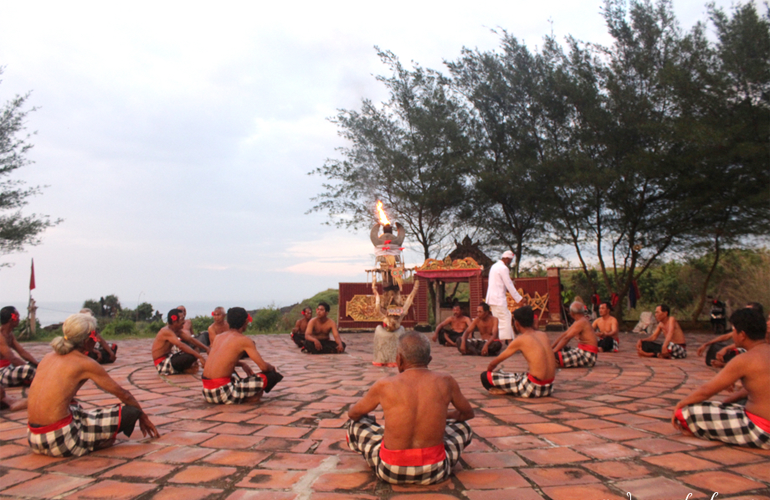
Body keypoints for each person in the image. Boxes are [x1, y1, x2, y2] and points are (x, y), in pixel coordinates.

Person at [346, 331, 474, 484]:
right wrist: (445, 416)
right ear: (429, 360)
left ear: (399, 360)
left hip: (390, 469)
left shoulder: (384, 385)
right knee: (464, 427)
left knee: (355, 424)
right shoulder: (446, 381)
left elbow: (353, 414)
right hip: (435, 470)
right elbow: (467, 414)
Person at [27, 313, 159, 457]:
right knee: (131, 412)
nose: (96, 341)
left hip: (34, 438)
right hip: (61, 440)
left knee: (75, 406)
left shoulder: (47, 357)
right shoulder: (85, 363)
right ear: (86, 341)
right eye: (94, 337)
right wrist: (142, 416)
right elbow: (123, 394)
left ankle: (92, 437)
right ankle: (96, 442)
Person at [673, 308, 770, 449]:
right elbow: (751, 390)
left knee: (686, 412)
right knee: (720, 406)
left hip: (761, 430)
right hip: (760, 418)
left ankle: (702, 430)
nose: (732, 335)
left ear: (742, 335)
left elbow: (706, 391)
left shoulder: (745, 359)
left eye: (733, 330)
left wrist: (679, 406)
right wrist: (725, 403)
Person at [202, 307, 283, 404]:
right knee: (271, 376)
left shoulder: (218, 337)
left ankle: (242, 394)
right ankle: (249, 397)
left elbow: (222, 360)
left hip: (207, 392)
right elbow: (263, 367)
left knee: (235, 376)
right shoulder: (244, 340)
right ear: (245, 322)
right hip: (223, 393)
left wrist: (242, 364)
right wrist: (271, 368)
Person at [481, 306, 557, 397]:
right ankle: (510, 387)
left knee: (485, 377)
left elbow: (494, 363)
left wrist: (489, 372)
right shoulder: (543, 335)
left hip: (533, 388)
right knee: (517, 375)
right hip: (548, 387)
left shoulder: (521, 339)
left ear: (516, 323)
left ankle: (507, 390)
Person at [698, 303, 766, 368]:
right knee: (716, 346)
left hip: (753, 356)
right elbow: (727, 336)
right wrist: (707, 344)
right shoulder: (745, 327)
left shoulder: (761, 330)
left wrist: (726, 350)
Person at [485, 251, 525, 343]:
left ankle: (504, 339)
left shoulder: (494, 266)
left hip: (492, 298)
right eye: (510, 260)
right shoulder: (503, 268)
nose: (510, 262)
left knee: (499, 319)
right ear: (507, 258)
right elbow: (509, 284)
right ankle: (508, 340)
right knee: (506, 318)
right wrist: (519, 298)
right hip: (498, 298)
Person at [151, 309, 207, 375]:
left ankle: (188, 367)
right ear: (174, 321)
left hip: (169, 357)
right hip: (162, 364)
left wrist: (207, 349)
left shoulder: (177, 330)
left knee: (193, 347)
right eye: (182, 319)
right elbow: (181, 345)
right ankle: (185, 369)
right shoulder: (166, 331)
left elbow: (191, 340)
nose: (184, 321)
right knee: (191, 354)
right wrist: (199, 357)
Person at [552, 302, 599, 368]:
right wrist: (551, 348)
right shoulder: (579, 321)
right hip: (581, 351)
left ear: (571, 313)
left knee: (554, 356)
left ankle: (553, 364)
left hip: (587, 356)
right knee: (559, 351)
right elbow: (564, 334)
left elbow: (567, 338)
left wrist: (553, 352)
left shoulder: (582, 322)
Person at [0, 306, 38, 386]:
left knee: (38, 363)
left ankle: (27, 378)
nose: (19, 319)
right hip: (1, 372)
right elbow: (12, 358)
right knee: (29, 370)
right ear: (11, 319)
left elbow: (22, 352)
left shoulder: (10, 335)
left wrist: (37, 364)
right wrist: (30, 367)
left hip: (9, 367)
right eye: (18, 317)